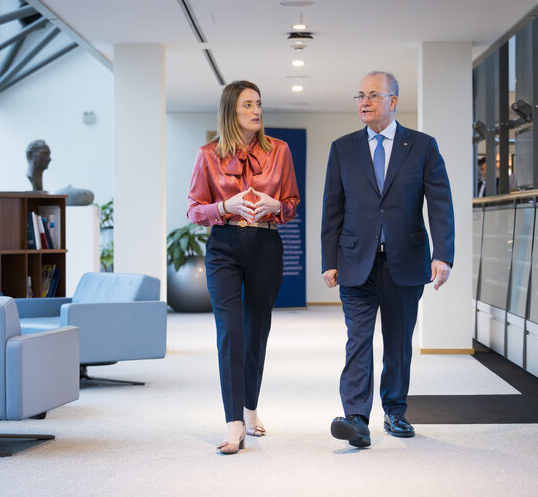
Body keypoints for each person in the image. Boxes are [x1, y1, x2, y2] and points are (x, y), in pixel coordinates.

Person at [321, 71, 454, 448]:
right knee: (358, 342)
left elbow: (440, 204)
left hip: (406, 262)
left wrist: (442, 254)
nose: (363, 101)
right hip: (355, 262)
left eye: (373, 95)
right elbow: (333, 208)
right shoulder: (342, 148)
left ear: (392, 101)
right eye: (359, 94)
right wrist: (328, 259)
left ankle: (395, 411)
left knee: (398, 343)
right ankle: (356, 419)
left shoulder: (423, 146)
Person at [187, 80, 300, 455]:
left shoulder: (280, 151)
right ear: (230, 111)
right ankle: (233, 421)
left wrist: (275, 205)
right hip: (224, 248)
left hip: (266, 245)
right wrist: (224, 207)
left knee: (257, 331)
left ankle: (251, 406)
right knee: (230, 331)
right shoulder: (207, 155)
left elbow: (292, 203)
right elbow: (193, 210)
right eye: (248, 104)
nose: (257, 110)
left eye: (259, 104)